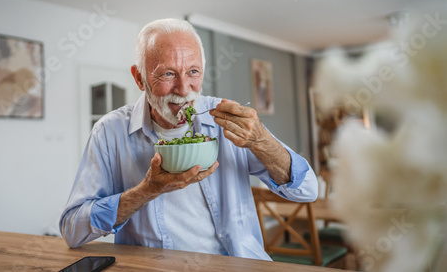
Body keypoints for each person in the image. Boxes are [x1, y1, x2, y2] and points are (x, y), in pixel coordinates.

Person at [59, 18, 318, 260]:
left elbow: (307, 190)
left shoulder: (228, 117)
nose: (184, 90)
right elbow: (72, 229)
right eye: (168, 74)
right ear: (139, 78)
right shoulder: (109, 132)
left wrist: (262, 141)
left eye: (193, 72)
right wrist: (147, 190)